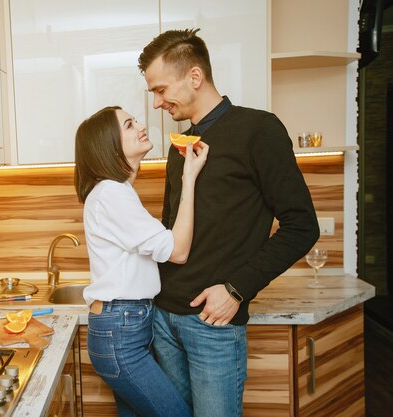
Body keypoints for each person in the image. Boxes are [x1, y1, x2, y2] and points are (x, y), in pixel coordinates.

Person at [137, 28, 320, 417]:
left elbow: (302, 226)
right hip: (162, 318)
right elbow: (174, 234)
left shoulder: (260, 130)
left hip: (212, 323)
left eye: (160, 89)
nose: (156, 103)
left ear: (195, 77)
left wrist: (236, 289)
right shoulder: (180, 148)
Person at [74, 105, 208, 417]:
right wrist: (189, 179)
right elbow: (177, 251)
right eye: (130, 125)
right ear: (109, 144)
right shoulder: (111, 194)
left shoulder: (116, 191)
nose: (141, 126)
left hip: (124, 326)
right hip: (120, 331)